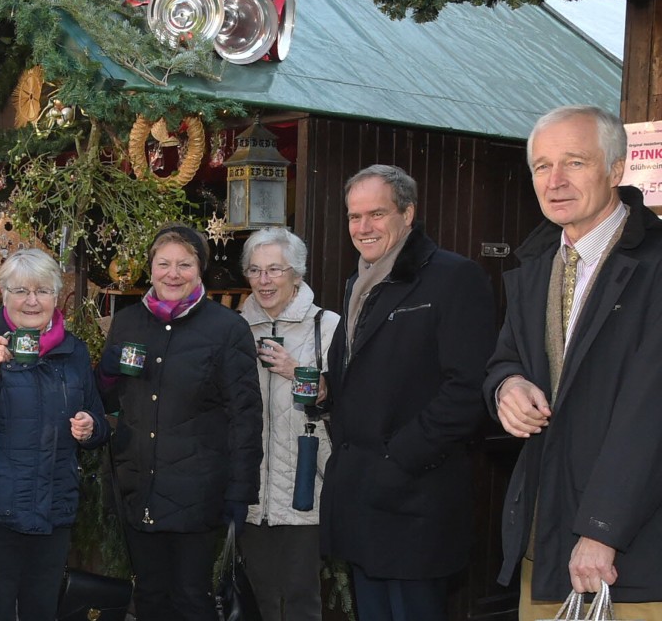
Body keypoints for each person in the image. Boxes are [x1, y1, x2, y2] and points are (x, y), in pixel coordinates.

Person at [485, 105, 662, 620]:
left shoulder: (654, 266)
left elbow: (650, 413)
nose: (555, 181)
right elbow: (505, 357)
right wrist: (506, 386)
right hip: (545, 539)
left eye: (575, 162)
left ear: (616, 169)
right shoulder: (537, 266)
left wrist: (603, 529)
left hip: (632, 552)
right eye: (542, 166)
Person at [318, 164, 495, 621]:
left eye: (376, 214)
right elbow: (368, 375)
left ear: (408, 213)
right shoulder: (358, 283)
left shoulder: (454, 277)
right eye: (354, 217)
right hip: (362, 497)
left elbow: (469, 387)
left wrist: (401, 456)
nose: (363, 228)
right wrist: (328, 389)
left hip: (416, 497)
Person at [98, 224, 263, 621]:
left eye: (184, 264)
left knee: (192, 598)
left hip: (199, 491)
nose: (173, 274)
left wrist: (240, 493)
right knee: (151, 596)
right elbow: (110, 399)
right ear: (150, 269)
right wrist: (104, 374)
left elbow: (245, 418)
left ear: (200, 269)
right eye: (164, 263)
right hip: (140, 484)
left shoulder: (227, 329)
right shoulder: (128, 323)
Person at [0, 248, 109, 621]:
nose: (32, 301)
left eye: (42, 290)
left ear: (56, 297)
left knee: (42, 611)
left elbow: (99, 422)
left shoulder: (73, 352)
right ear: (4, 296)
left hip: (53, 509)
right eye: (21, 291)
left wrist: (90, 427)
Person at [237, 227, 340, 621]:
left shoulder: (327, 326)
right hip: (250, 491)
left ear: (297, 274)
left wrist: (298, 372)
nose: (264, 281)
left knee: (302, 599)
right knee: (256, 600)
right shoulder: (234, 330)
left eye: (275, 270)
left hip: (306, 487)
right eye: (255, 270)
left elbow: (345, 399)